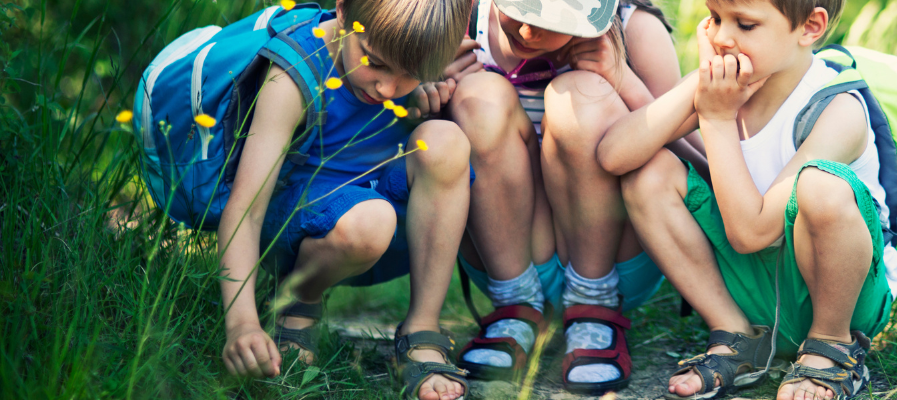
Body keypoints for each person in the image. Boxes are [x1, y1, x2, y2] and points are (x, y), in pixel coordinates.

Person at [598, 0, 897, 398]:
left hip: (839, 294)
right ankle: (736, 335)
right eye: (717, 18)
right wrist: (699, 90)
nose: (722, 37)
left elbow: (750, 233)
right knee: (647, 175)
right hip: (752, 288)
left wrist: (718, 118)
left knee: (820, 186)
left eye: (745, 24)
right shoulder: (723, 86)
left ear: (810, 27)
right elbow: (614, 156)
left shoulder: (838, 108)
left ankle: (831, 348)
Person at [406, 0, 696, 392]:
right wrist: (423, 96)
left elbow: (691, 156)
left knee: (579, 92)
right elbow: (429, 156)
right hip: (506, 254)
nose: (527, 32)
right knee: (479, 93)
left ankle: (594, 304)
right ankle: (516, 305)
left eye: (548, 21)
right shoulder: (458, 19)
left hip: (616, 259)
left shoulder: (637, 29)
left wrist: (621, 79)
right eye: (519, 12)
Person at [212, 1, 474, 399]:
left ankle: (422, 330)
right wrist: (242, 324)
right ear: (341, 10)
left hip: (372, 205)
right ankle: (296, 298)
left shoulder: (401, 52)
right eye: (376, 63)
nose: (388, 89)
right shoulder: (292, 76)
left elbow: (404, 102)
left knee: (447, 141)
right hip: (294, 222)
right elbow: (245, 212)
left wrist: (421, 97)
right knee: (372, 220)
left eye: (410, 74)